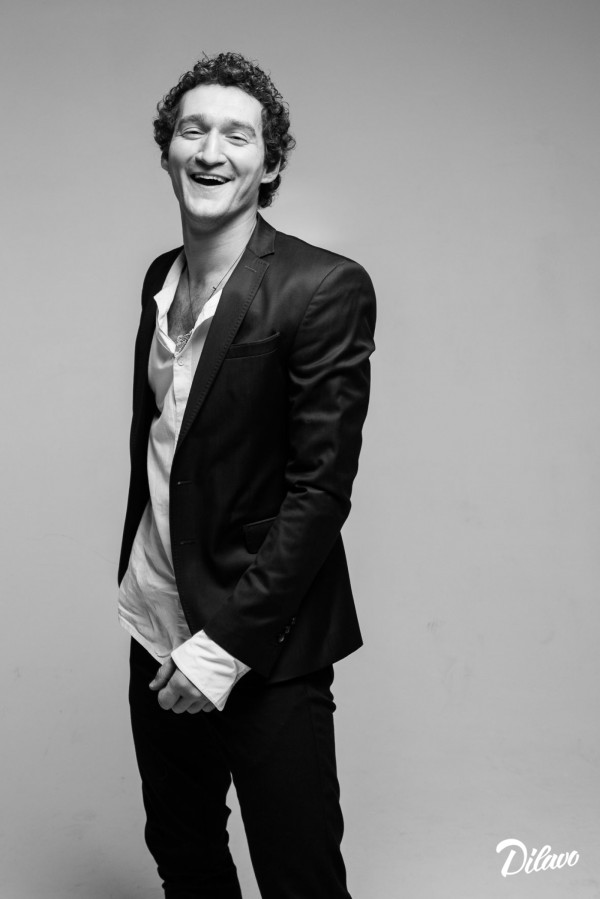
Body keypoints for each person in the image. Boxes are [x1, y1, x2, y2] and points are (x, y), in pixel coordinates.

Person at [117, 51, 376, 899]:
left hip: (264, 639)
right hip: (156, 617)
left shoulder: (322, 287)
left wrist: (224, 647)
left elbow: (320, 491)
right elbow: (167, 443)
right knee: (184, 857)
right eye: (193, 130)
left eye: (238, 135)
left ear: (269, 165)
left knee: (300, 878)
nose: (210, 151)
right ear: (167, 152)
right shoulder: (160, 281)